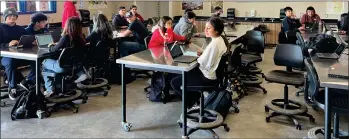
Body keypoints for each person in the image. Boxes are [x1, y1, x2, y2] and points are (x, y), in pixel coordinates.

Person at [171, 17, 227, 108]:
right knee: (187, 74)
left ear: (217, 30)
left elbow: (205, 63)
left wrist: (200, 57)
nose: (205, 30)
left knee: (175, 83)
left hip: (208, 77)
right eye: (205, 27)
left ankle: (192, 104)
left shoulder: (214, 44)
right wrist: (204, 52)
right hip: (214, 75)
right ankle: (196, 100)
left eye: (208, 28)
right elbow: (211, 56)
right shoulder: (220, 40)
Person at [42, 17, 87, 97]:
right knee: (52, 63)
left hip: (63, 67)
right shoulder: (82, 37)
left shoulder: (66, 37)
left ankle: (50, 90)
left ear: (68, 26)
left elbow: (54, 50)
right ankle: (59, 85)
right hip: (75, 66)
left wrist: (50, 46)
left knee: (44, 62)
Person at [0, 8, 34, 100]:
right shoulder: (1, 28)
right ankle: (12, 87)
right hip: (5, 56)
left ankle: (28, 81)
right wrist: (8, 44)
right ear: (5, 17)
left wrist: (31, 42)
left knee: (36, 60)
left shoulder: (20, 29)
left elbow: (26, 40)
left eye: (14, 16)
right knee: (10, 62)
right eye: (10, 16)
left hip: (20, 55)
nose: (12, 17)